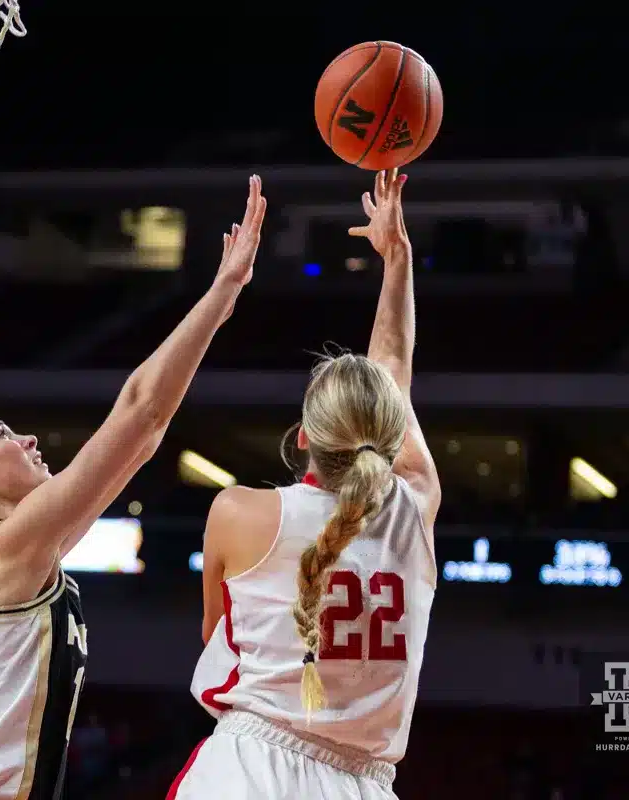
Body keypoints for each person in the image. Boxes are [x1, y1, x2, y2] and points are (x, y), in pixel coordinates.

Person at [0, 176, 267, 800]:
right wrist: (221, 294)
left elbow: (143, 437)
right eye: (3, 434)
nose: (28, 441)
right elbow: (140, 412)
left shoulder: (26, 552)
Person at [169, 168, 440, 800]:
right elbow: (393, 374)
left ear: (301, 437)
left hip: (249, 770)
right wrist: (397, 259)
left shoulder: (239, 512)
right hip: (365, 785)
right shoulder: (416, 504)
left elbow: (216, 632)